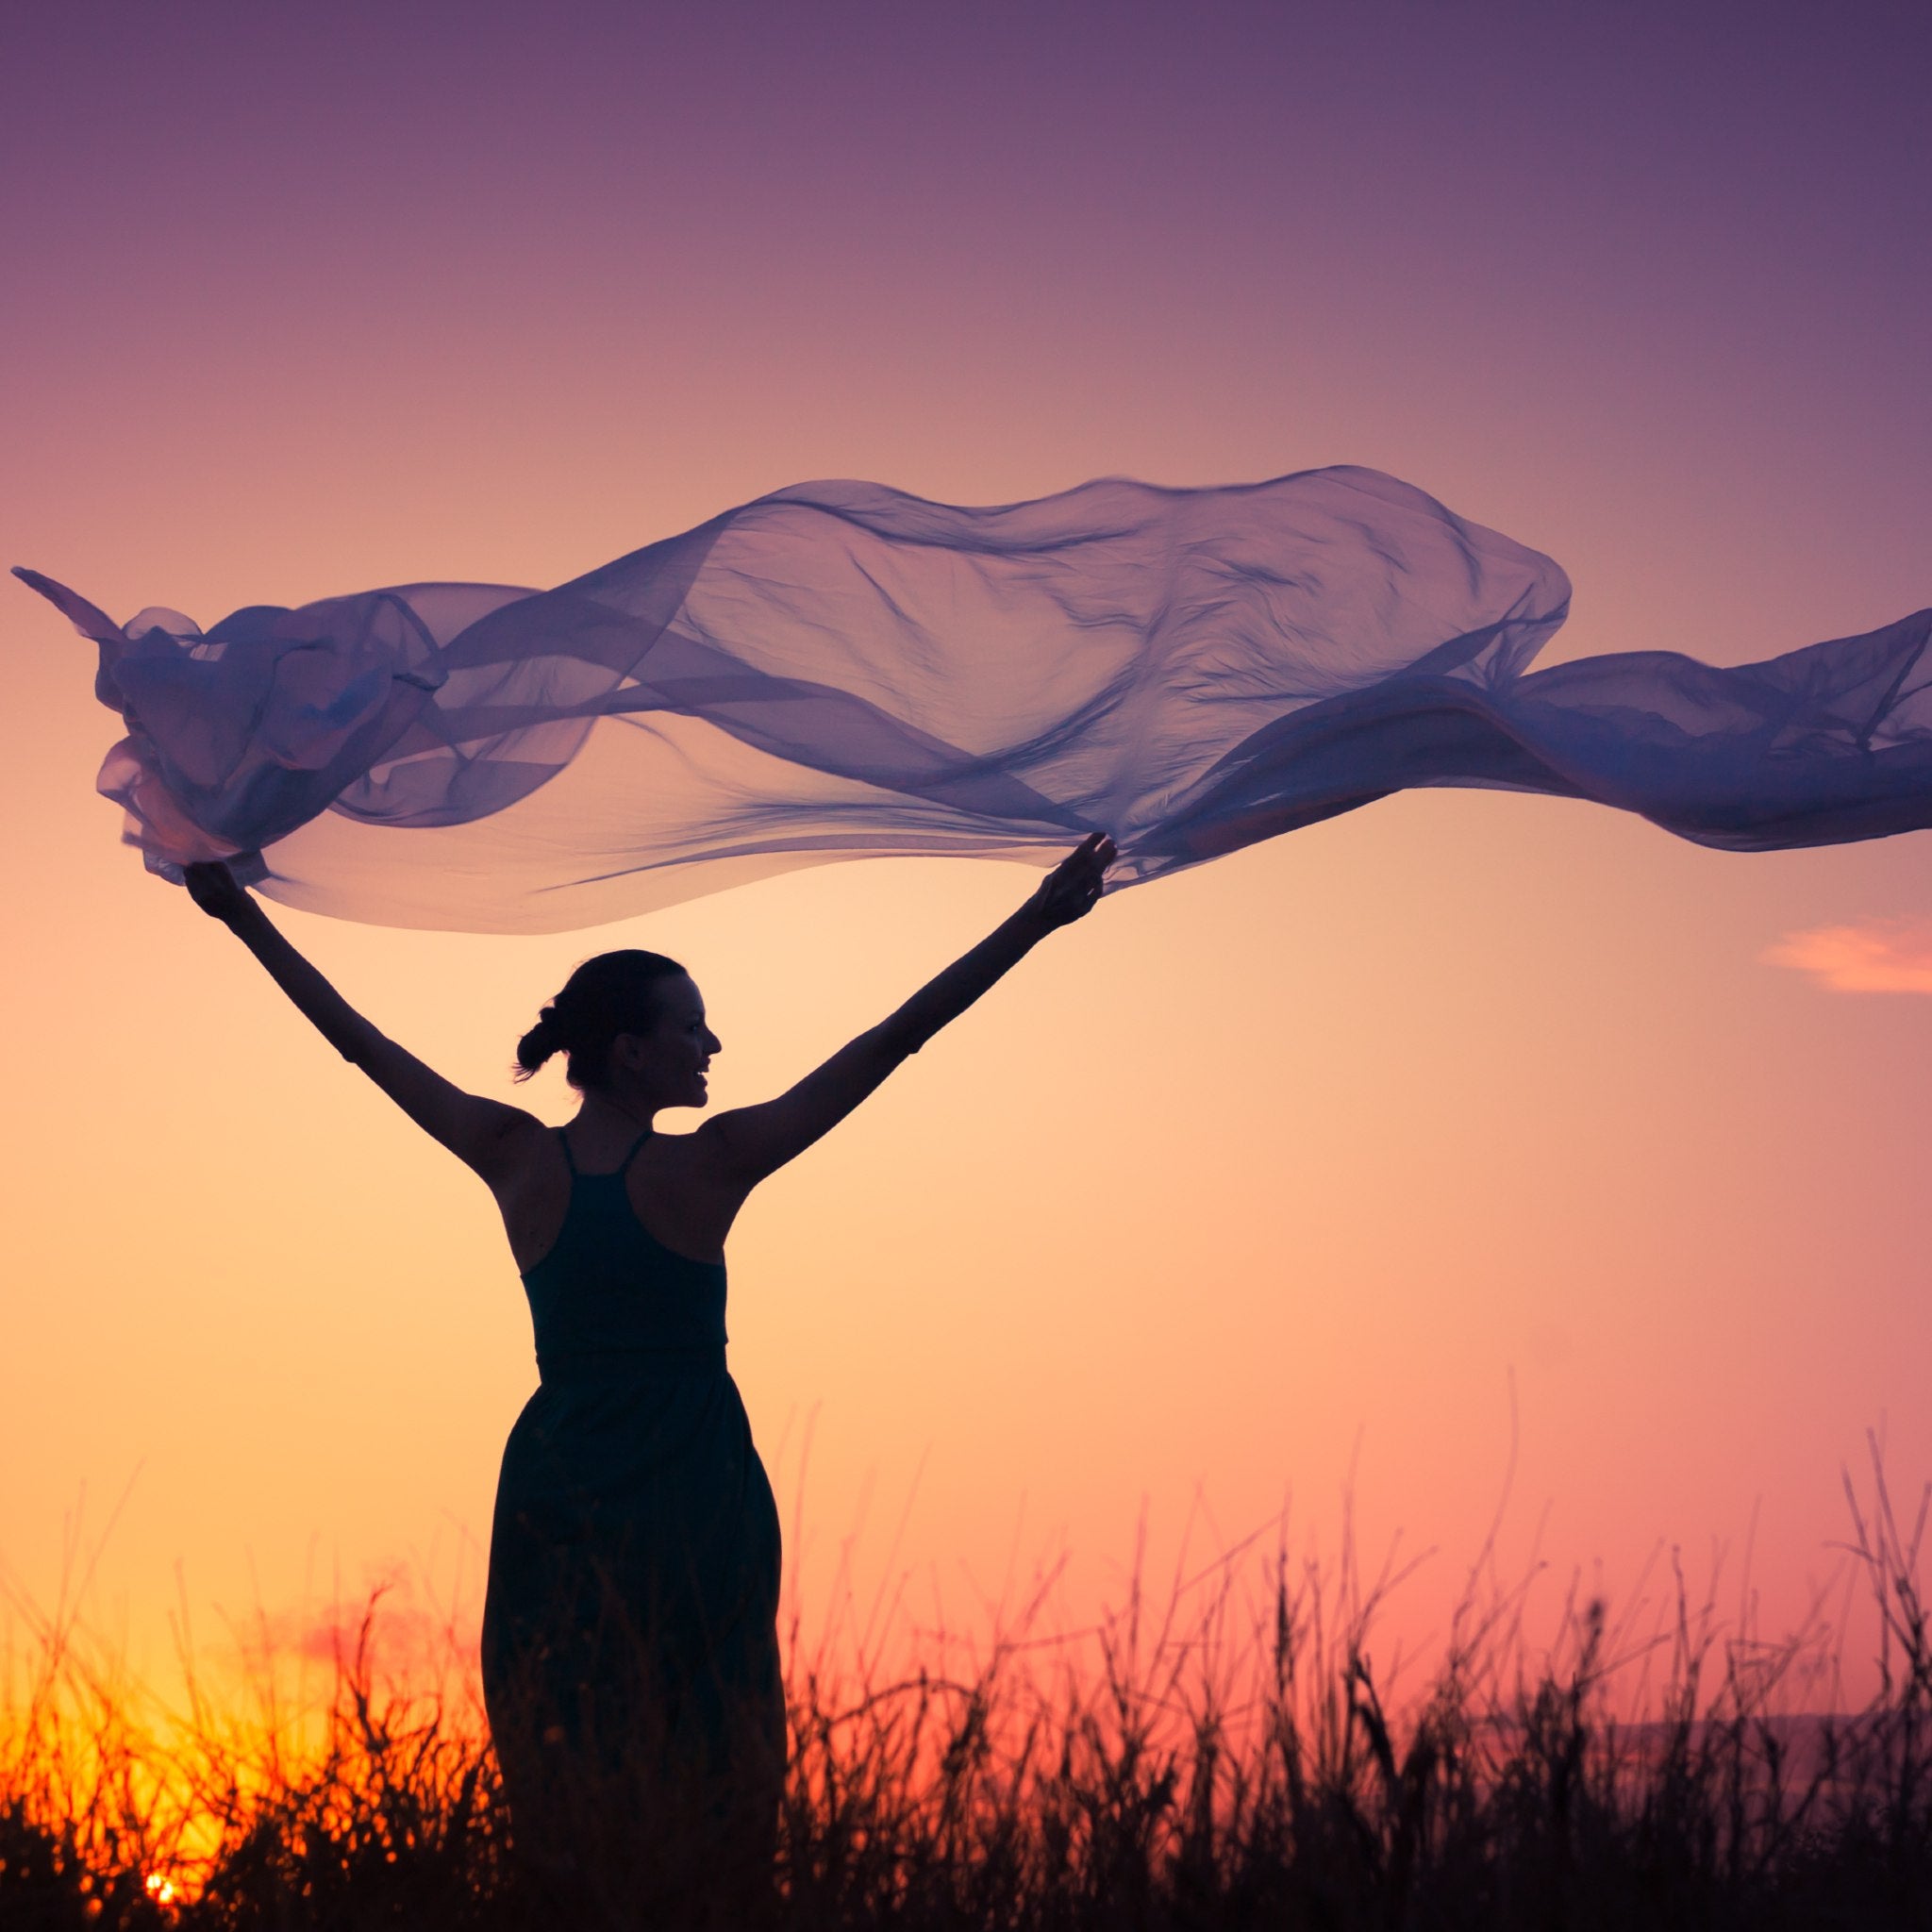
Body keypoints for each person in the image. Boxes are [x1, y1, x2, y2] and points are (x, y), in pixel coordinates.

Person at [181, 831, 1116, 1916]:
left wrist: (242, 920)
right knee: (715, 1770)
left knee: (566, 1762)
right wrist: (1037, 920)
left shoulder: (516, 1158)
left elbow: (360, 1042)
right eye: (690, 1025)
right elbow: (889, 1040)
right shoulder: (707, 1162)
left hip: (558, 1477)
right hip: (694, 1481)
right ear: (631, 1050)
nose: (712, 1041)